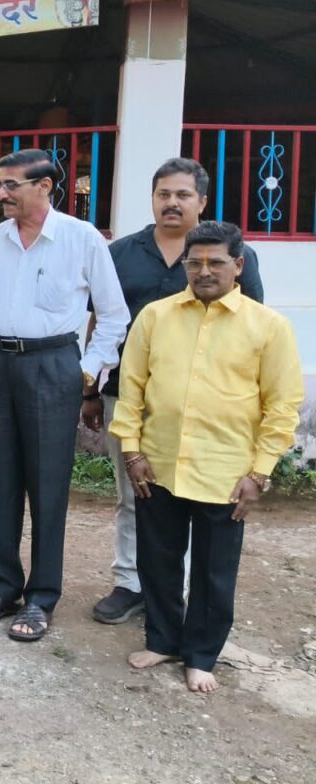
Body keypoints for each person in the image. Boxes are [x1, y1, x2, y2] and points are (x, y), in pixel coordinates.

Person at [111, 221, 302, 693]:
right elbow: (131, 388)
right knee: (158, 559)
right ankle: (162, 639)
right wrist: (132, 452)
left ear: (238, 265)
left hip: (226, 471)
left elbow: (282, 406)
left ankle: (201, 655)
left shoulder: (268, 326)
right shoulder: (155, 317)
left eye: (216, 262)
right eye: (194, 263)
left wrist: (260, 472)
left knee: (214, 570)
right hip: (159, 464)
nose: (204, 271)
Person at [86, 158, 265, 626]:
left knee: (194, 496)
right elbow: (100, 319)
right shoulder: (121, 253)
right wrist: (90, 390)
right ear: (152, 198)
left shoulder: (232, 255)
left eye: (183, 195)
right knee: (135, 493)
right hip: (128, 395)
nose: (172, 202)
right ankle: (131, 583)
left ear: (202, 201)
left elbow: (252, 324)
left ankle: (176, 592)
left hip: (207, 403)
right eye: (163, 194)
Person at [0, 149, 127, 642]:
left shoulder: (81, 238)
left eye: (10, 185)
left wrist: (85, 372)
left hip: (54, 365)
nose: (1, 194)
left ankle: (42, 596)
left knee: (48, 485)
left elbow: (113, 316)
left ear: (45, 186)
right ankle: (2, 587)